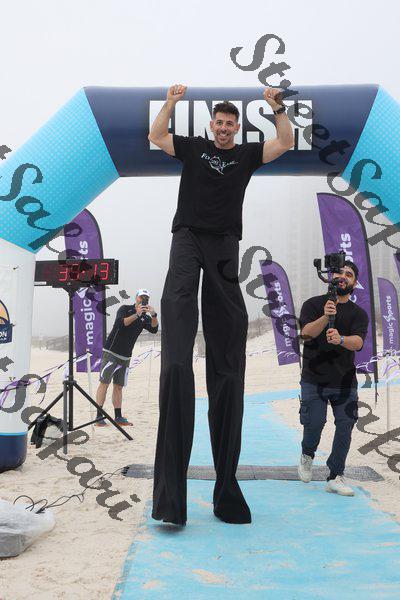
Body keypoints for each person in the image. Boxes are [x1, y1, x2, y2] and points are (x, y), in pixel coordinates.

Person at [148, 84, 294, 525]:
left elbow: (285, 143)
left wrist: (277, 108)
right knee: (177, 353)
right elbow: (156, 136)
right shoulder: (194, 148)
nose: (225, 128)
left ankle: (226, 492)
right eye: (220, 122)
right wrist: (170, 103)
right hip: (188, 238)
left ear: (236, 127)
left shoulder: (247, 154)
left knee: (227, 357)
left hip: (225, 244)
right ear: (212, 124)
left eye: (231, 123)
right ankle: (171, 502)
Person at [297, 261, 369, 496]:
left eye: (349, 274)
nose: (343, 276)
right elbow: (305, 334)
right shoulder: (313, 304)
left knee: (345, 427)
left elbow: (358, 342)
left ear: (354, 283)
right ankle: (307, 455)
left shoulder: (359, 313)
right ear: (330, 276)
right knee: (315, 422)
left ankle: (335, 476)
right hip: (313, 379)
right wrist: (326, 315)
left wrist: (341, 339)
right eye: (339, 272)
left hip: (345, 382)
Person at [95, 289, 158, 427]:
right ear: (136, 298)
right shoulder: (125, 309)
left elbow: (154, 329)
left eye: (146, 298)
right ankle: (98, 417)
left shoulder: (145, 317)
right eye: (141, 297)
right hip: (111, 351)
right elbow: (121, 323)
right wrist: (137, 314)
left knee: (118, 386)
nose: (143, 299)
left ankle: (118, 417)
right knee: (104, 382)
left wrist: (153, 315)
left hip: (125, 356)